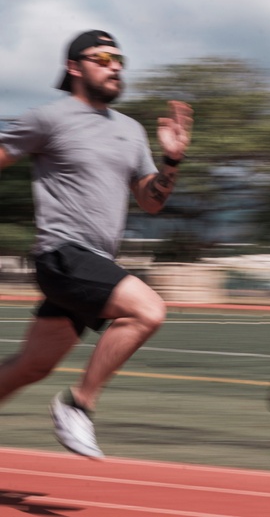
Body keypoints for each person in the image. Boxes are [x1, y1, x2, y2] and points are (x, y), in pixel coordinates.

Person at [0, 30, 193, 459]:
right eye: (103, 57)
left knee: (30, 365)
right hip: (62, 254)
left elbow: (150, 200)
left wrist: (172, 160)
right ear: (74, 67)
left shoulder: (131, 130)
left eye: (119, 58)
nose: (115, 65)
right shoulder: (48, 118)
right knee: (148, 310)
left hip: (95, 261)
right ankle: (78, 405)